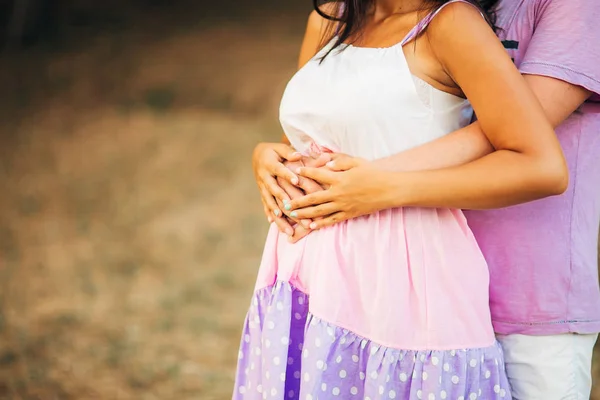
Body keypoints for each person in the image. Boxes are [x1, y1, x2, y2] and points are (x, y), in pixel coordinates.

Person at [255, 0, 600, 398]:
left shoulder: (551, 9)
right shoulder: (340, 16)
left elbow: (510, 135)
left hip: (519, 294)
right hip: (340, 282)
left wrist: (381, 183)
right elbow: (315, 130)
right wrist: (267, 156)